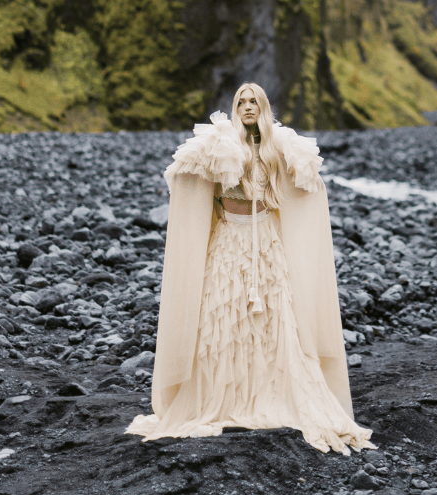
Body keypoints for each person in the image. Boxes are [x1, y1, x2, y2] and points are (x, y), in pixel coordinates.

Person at [127, 82, 374, 454]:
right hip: (228, 239)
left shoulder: (277, 147)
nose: (246, 107)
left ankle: (275, 391)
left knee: (275, 317)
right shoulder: (219, 143)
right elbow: (184, 173)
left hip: (267, 239)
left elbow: (306, 182)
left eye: (253, 102)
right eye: (240, 102)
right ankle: (222, 397)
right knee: (222, 313)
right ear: (234, 107)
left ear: (263, 107)